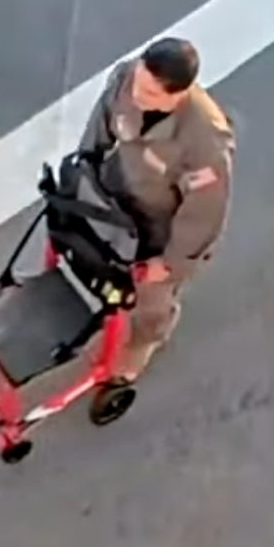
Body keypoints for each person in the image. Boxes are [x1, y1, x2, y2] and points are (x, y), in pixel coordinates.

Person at [76, 36, 236, 408]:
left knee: (150, 299)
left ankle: (137, 352)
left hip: (160, 225)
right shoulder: (128, 77)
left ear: (176, 96)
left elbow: (204, 212)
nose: (136, 94)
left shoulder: (204, 142)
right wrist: (84, 165)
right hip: (117, 193)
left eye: (149, 93)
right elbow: (102, 119)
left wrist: (169, 265)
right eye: (138, 82)